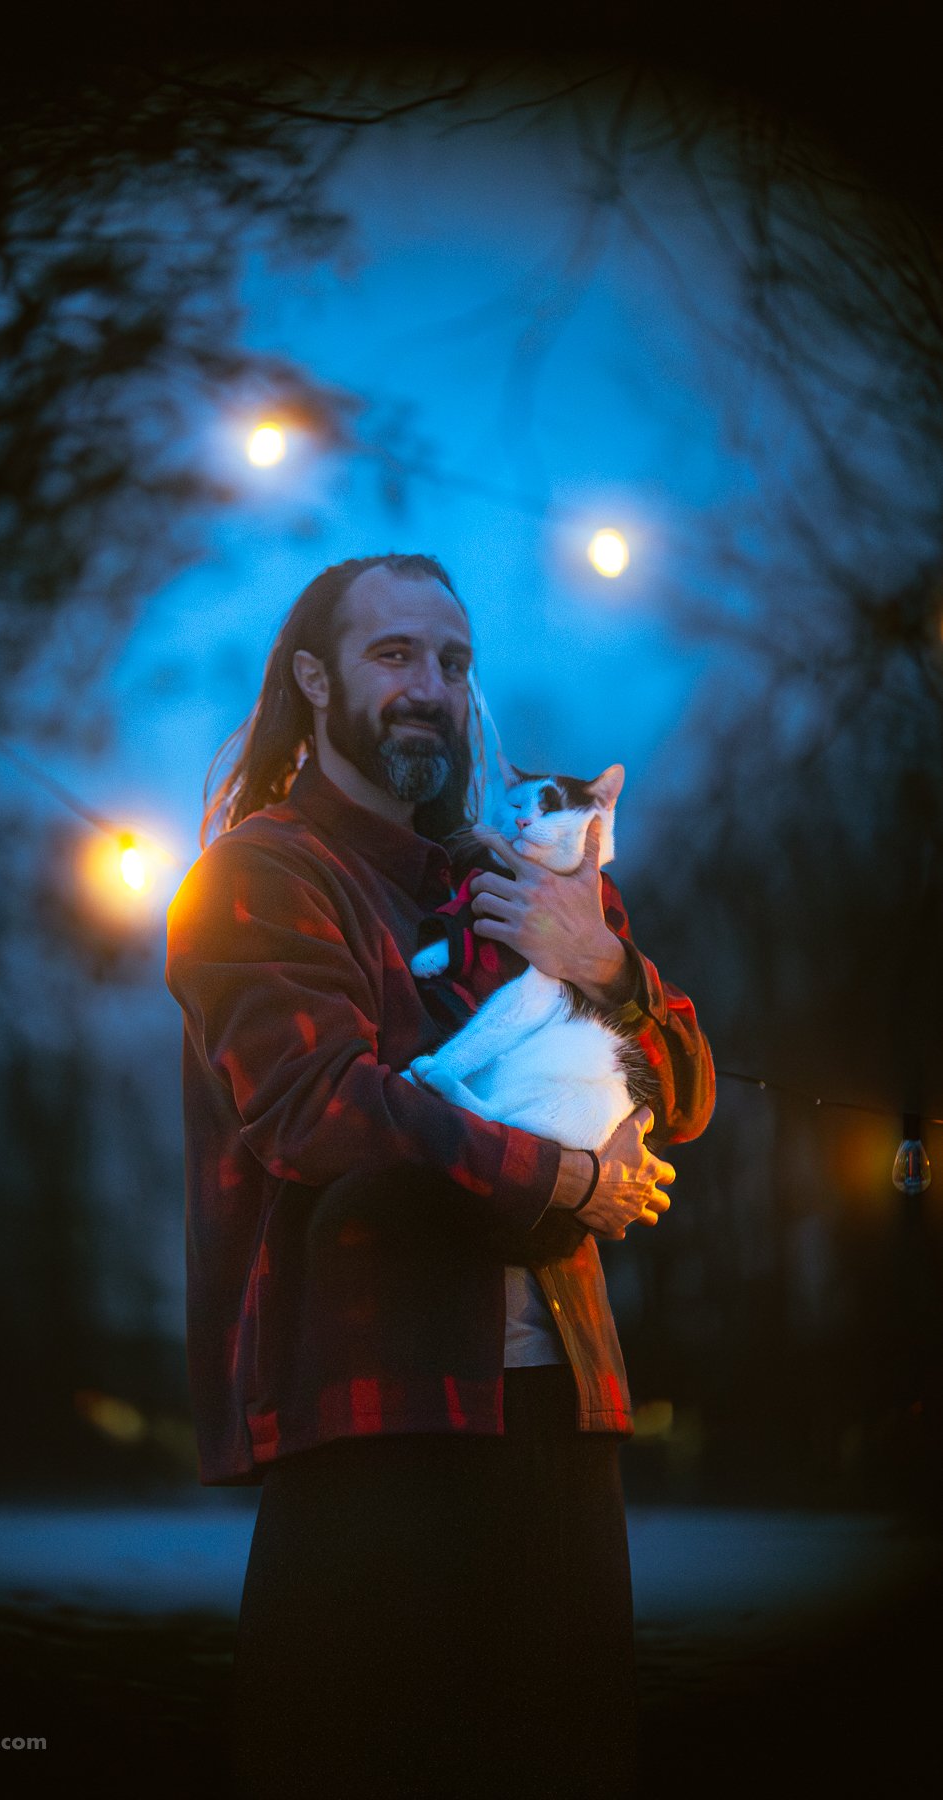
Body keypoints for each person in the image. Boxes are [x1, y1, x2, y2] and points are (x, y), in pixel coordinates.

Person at [164, 553, 715, 1799]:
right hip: (373, 1425)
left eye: (453, 663)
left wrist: (604, 966)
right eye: (394, 654)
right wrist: (559, 1182)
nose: (431, 688)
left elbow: (679, 1096)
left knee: (567, 1762)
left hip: (560, 1422)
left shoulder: (518, 874)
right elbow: (317, 1114)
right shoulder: (261, 876)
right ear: (313, 678)